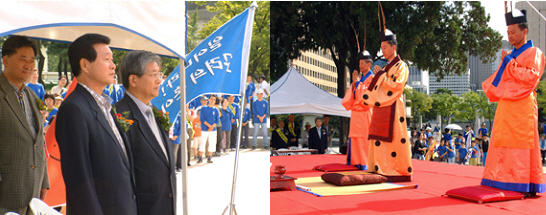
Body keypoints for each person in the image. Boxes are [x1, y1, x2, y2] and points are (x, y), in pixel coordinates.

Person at [55, 33, 137, 215]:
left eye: (112, 59)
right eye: (106, 59)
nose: (113, 65)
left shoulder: (105, 105)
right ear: (85, 65)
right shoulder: (74, 109)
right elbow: (79, 179)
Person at [481, 8, 545, 196]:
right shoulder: (511, 54)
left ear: (524, 31)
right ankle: (500, 178)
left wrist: (510, 63)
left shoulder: (534, 52)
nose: (510, 36)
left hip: (522, 105)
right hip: (506, 104)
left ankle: (521, 182)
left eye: (513, 32)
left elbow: (531, 78)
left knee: (520, 144)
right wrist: (508, 63)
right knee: (501, 141)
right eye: (508, 32)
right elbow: (502, 79)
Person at [114, 50, 175, 215]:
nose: (159, 80)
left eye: (159, 74)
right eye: (153, 74)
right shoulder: (120, 116)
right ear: (133, 79)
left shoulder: (155, 112)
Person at [0, 35, 49, 215]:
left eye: (32, 60)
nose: (29, 65)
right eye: (23, 59)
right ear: (5, 60)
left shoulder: (31, 95)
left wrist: (44, 180)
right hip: (7, 194)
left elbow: (37, 140)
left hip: (33, 195)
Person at [362, 26, 412, 181]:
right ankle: (378, 167)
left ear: (393, 47)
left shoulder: (401, 66)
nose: (382, 50)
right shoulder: (386, 66)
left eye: (385, 47)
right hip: (381, 106)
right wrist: (379, 74)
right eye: (381, 47)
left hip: (394, 107)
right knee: (378, 140)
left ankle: (394, 169)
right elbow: (381, 83)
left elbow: (396, 85)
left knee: (394, 139)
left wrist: (381, 75)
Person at [341, 49, 374, 170]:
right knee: (354, 138)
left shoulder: (372, 79)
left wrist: (357, 83)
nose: (360, 66)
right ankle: (355, 161)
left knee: (363, 139)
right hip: (356, 114)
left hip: (365, 113)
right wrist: (355, 83)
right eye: (359, 63)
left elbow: (366, 96)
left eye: (363, 63)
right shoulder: (361, 80)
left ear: (369, 64)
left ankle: (364, 162)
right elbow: (352, 96)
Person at [200, 95, 220, 163]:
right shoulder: (203, 108)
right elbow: (202, 119)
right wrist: (209, 126)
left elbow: (217, 120)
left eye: (214, 100)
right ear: (208, 100)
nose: (212, 101)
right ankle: (200, 157)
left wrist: (212, 127)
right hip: (204, 129)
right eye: (211, 99)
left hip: (213, 130)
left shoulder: (216, 109)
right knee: (202, 143)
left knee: (212, 143)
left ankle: (209, 157)